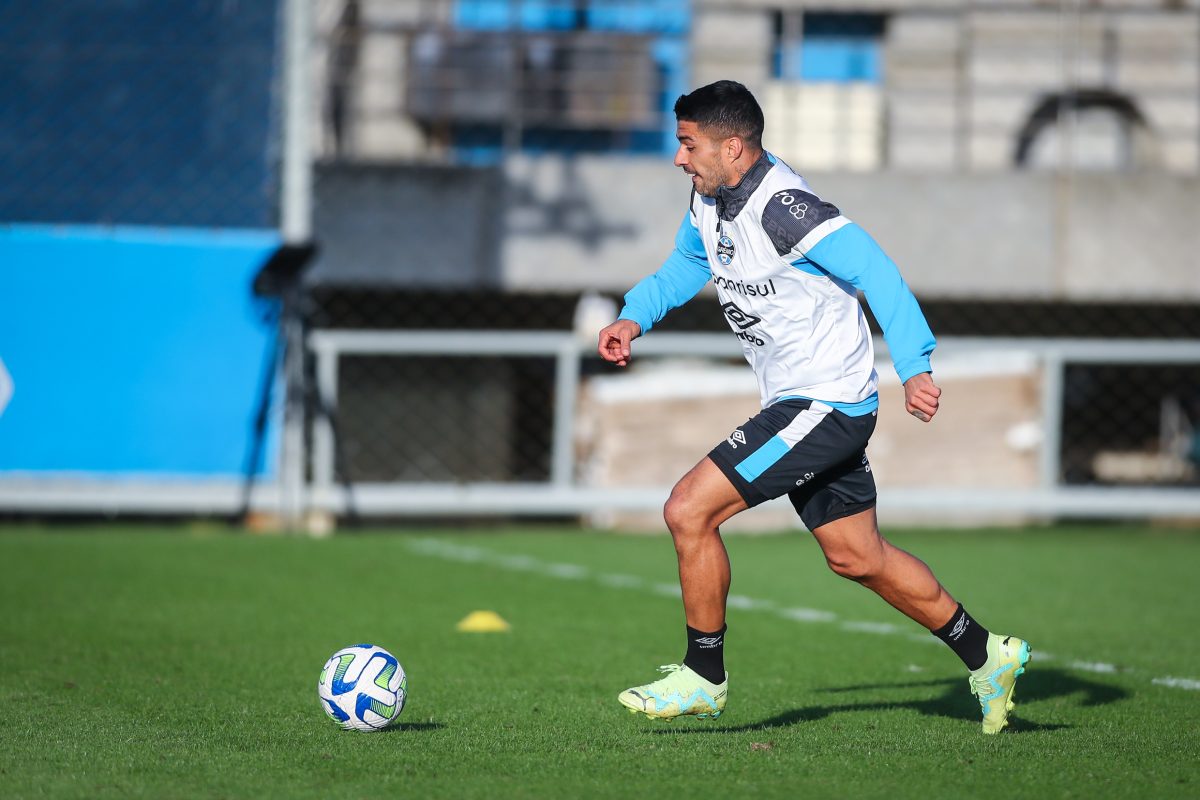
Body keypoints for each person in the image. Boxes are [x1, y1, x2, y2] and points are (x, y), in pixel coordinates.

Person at [597, 80, 1030, 735]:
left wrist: (914, 366)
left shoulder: (785, 208)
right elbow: (689, 265)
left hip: (823, 403)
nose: (680, 158)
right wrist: (634, 317)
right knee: (857, 556)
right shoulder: (710, 197)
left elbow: (876, 271)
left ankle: (703, 677)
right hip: (806, 402)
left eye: (688, 145)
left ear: (733, 147)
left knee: (688, 509)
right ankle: (987, 653)